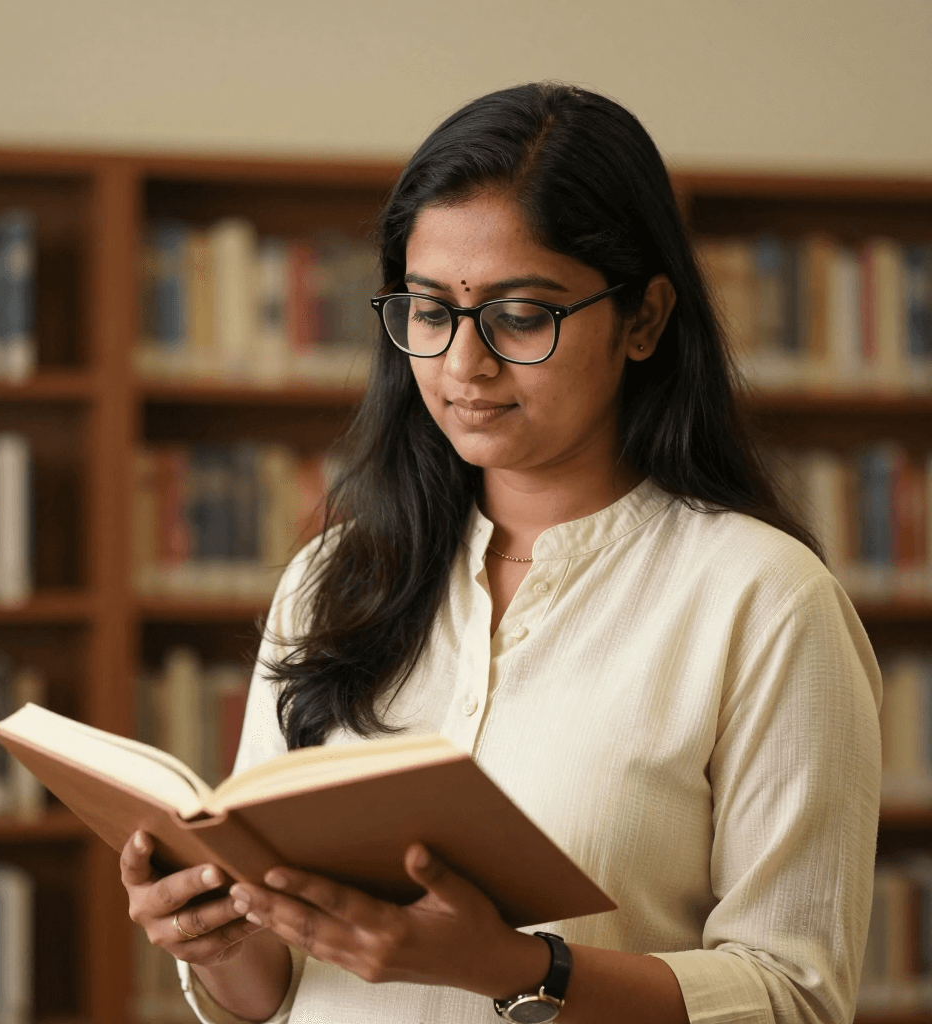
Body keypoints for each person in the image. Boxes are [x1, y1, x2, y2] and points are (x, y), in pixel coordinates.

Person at [121, 82, 882, 1024]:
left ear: (643, 319)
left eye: (521, 316)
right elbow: (280, 991)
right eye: (430, 311)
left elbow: (796, 998)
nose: (461, 366)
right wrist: (222, 941)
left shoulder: (763, 600)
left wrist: (520, 968)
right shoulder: (333, 578)